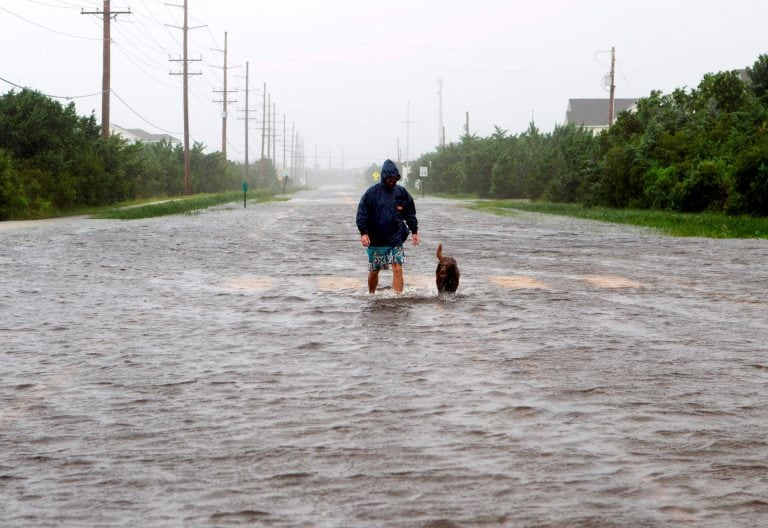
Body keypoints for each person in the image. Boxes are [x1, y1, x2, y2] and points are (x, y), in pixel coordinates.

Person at [356, 159, 420, 294]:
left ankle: (398, 298)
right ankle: (371, 295)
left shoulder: (402, 192)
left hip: (395, 239)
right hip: (376, 240)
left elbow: (410, 213)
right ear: (384, 176)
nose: (392, 180)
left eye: (394, 178)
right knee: (374, 270)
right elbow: (362, 214)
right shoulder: (371, 193)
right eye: (389, 178)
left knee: (398, 268)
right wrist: (363, 233)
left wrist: (414, 230)